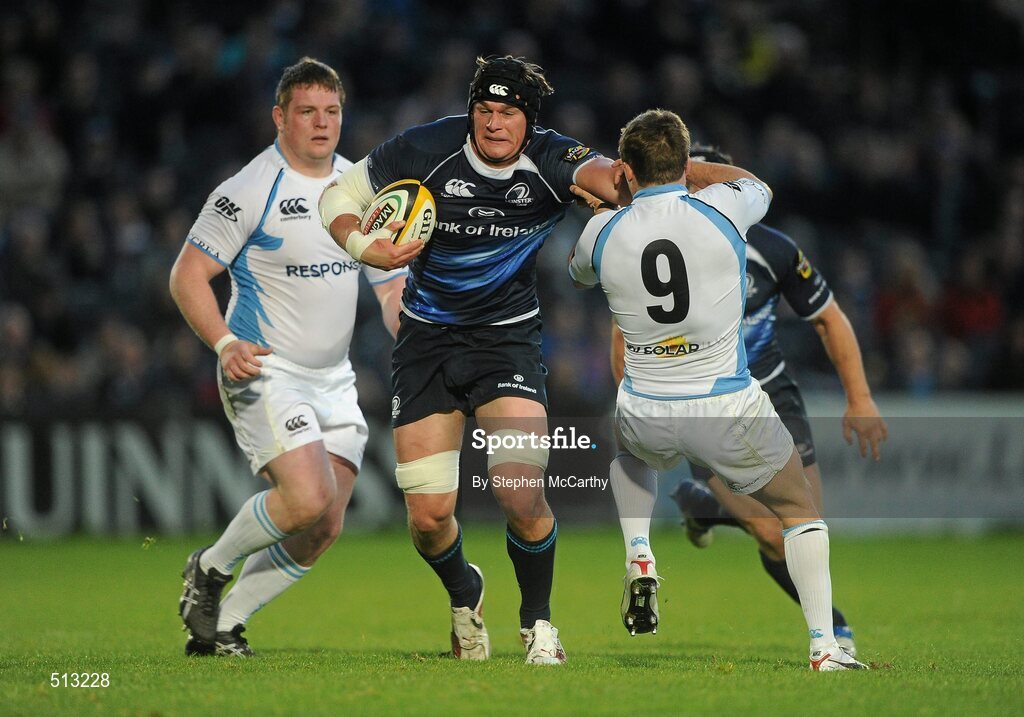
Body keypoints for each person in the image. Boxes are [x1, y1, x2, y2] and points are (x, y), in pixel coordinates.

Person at [318, 55, 629, 664]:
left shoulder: (552, 159)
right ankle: (466, 595)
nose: (492, 124)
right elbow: (338, 195)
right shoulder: (425, 147)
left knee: (519, 492)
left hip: (506, 342)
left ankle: (538, 624)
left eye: (507, 113)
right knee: (430, 517)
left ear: (528, 121)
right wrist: (365, 246)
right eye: (483, 110)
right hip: (427, 341)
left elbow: (616, 179)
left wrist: (672, 175)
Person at [569, 108, 868, 670]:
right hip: (723, 403)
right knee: (800, 511)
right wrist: (690, 170)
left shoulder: (599, 231)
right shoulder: (724, 209)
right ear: (685, 162)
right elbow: (756, 185)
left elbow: (579, 272)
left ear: (626, 168)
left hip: (644, 403)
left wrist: (619, 198)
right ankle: (827, 648)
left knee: (632, 456)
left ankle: (639, 553)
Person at [169, 57, 407, 657]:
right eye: (308, 112)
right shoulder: (250, 189)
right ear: (280, 118)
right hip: (267, 368)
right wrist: (224, 342)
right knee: (305, 498)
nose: (322, 124)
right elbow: (187, 275)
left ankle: (225, 625)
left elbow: (386, 287)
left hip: (335, 379)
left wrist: (412, 327)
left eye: (332, 111)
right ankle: (211, 567)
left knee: (324, 525)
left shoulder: (359, 186)